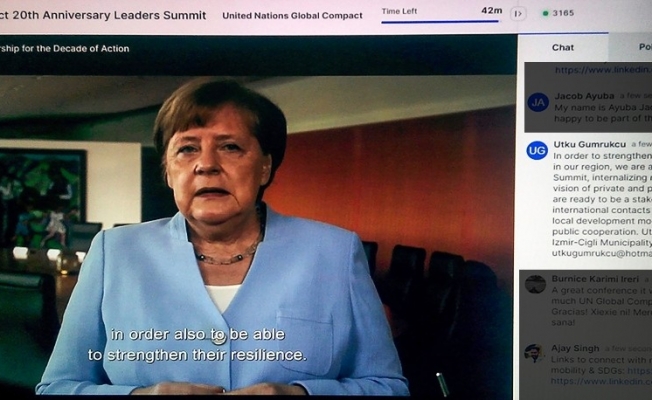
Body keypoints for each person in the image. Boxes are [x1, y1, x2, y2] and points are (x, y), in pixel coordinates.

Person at [36, 79, 409, 395]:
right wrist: (141, 395)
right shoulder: (113, 252)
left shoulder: (335, 252)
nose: (206, 164)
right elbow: (58, 387)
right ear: (167, 172)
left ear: (265, 167)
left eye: (230, 147)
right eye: (187, 149)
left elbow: (388, 386)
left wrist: (301, 394)